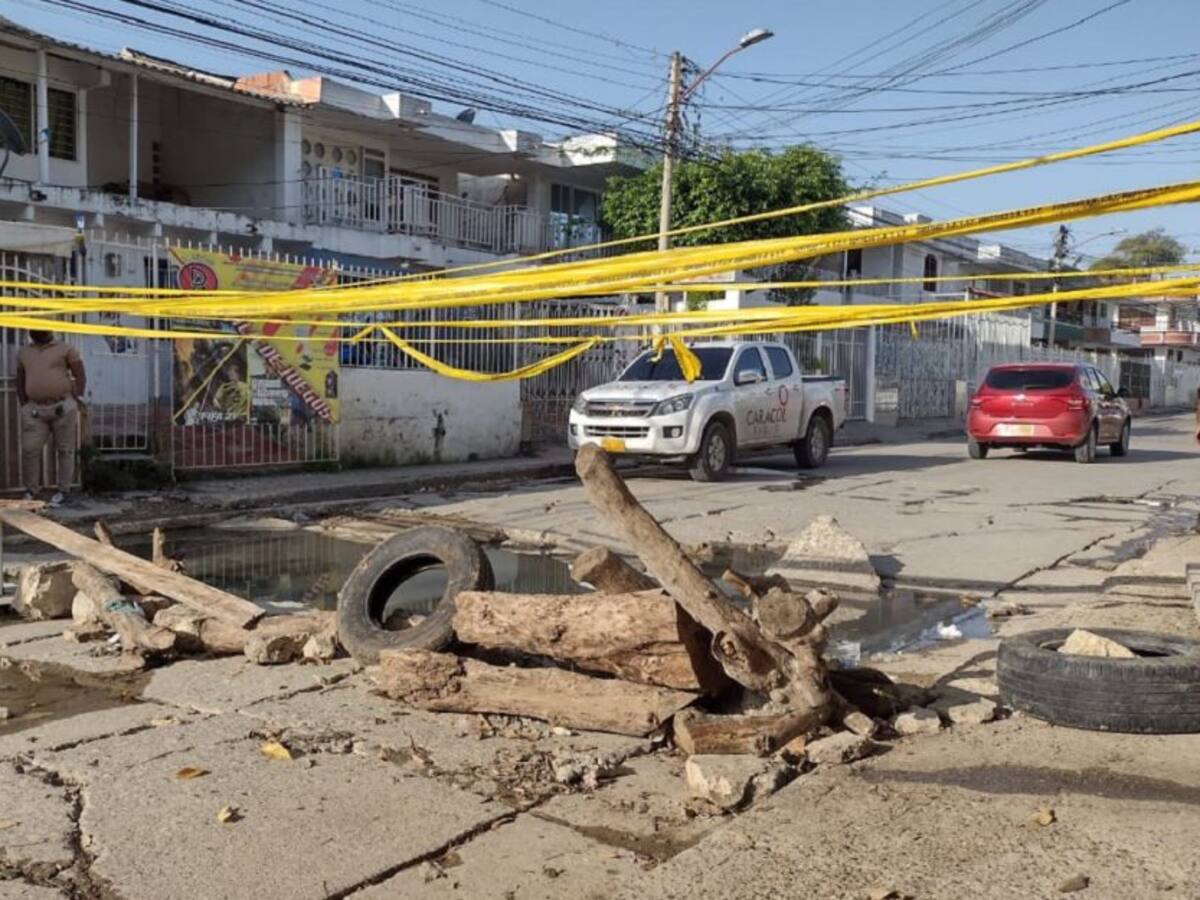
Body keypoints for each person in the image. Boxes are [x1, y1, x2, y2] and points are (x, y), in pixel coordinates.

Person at [16, 330, 85, 506]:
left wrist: (78, 397)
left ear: (49, 329)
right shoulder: (24, 351)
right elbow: (20, 377)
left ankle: (64, 491)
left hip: (62, 407)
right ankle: (31, 490)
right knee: (30, 449)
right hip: (34, 411)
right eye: (34, 329)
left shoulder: (66, 348)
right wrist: (24, 403)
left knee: (65, 450)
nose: (38, 331)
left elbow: (80, 374)